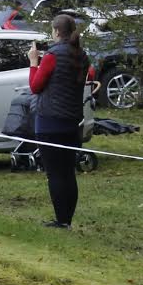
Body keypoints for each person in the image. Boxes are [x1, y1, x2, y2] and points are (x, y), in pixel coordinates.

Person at [28, 12, 90, 229]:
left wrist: (34, 62)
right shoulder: (81, 55)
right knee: (68, 172)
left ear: (55, 31)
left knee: (55, 174)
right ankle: (67, 219)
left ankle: (61, 220)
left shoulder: (53, 56)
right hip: (72, 121)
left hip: (49, 122)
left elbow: (35, 86)